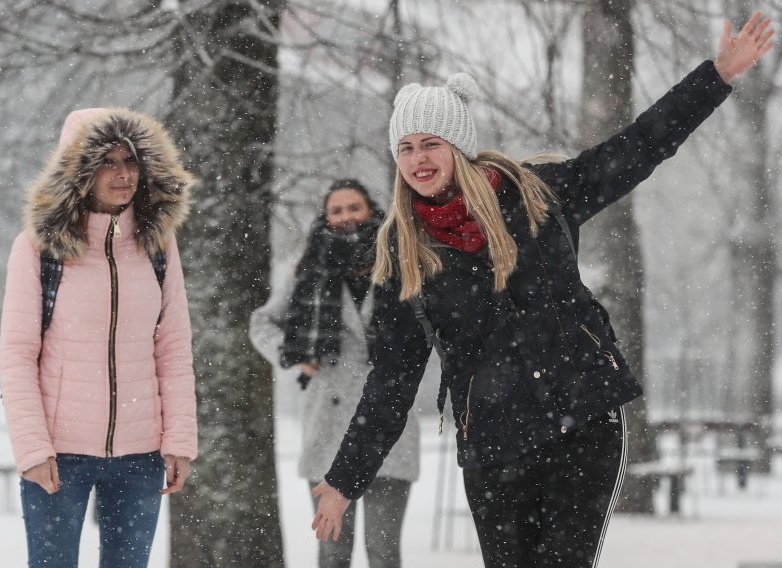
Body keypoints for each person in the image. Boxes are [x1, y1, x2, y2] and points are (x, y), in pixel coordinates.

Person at [311, 12, 775, 568]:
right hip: (491, 442)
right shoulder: (403, 256)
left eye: (430, 143)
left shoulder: (538, 198)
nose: (417, 160)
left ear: (457, 146)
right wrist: (344, 479)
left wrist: (716, 76)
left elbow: (638, 148)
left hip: (580, 419)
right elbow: (391, 380)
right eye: (405, 148)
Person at [0, 107, 198, 568]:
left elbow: (172, 348)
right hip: (58, 455)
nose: (123, 174)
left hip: (140, 455)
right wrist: (32, 449)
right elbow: (17, 355)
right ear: (80, 169)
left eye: (130, 161)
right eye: (107, 162)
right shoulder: (38, 247)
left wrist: (179, 441)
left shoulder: (157, 244)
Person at [250, 179, 419, 568]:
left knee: (384, 553)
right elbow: (263, 322)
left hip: (388, 425)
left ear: (371, 210)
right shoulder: (309, 270)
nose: (346, 217)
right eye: (336, 210)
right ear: (325, 218)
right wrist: (291, 355)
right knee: (332, 553)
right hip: (328, 425)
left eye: (353, 208)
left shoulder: (399, 262)